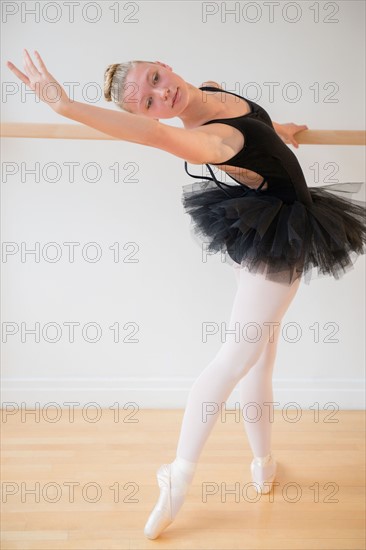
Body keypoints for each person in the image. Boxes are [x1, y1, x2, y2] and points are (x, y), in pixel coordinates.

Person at [7, 51, 366, 540]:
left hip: (277, 229)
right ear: (150, 116)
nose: (162, 94)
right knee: (235, 360)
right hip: (277, 244)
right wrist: (66, 107)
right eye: (150, 102)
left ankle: (263, 464)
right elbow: (163, 137)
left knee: (261, 358)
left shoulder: (216, 92)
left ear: (163, 64)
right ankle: (177, 475)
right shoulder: (209, 140)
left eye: (155, 80)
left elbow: (253, 118)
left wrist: (279, 128)